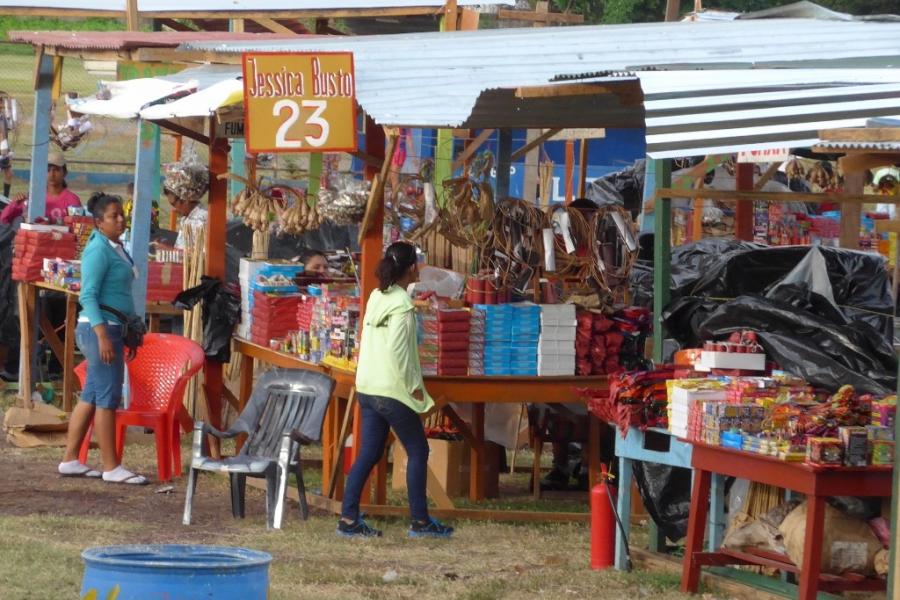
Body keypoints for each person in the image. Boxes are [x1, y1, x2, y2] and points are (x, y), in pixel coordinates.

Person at [338, 241, 453, 538]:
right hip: (391, 389)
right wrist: (415, 388)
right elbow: (401, 353)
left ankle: (349, 519)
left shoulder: (377, 296)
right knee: (418, 450)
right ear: (412, 268)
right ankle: (420, 522)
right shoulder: (402, 305)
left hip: (368, 386)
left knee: (369, 453)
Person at [58, 192, 148, 485]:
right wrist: (102, 336)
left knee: (92, 395)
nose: (120, 219)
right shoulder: (98, 250)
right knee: (107, 398)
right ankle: (112, 466)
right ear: (98, 222)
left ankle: (70, 459)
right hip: (101, 329)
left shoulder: (116, 247)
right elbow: (88, 294)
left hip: (112, 327)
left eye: (121, 214)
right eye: (113, 216)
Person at [0, 151, 81, 224]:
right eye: (48, 170)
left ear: (65, 173)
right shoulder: (33, 198)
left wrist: (51, 225)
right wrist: (15, 204)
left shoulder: (72, 200)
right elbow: (3, 219)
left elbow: (77, 229)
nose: (52, 174)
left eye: (56, 170)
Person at [161, 159, 208, 249]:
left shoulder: (202, 220)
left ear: (186, 199)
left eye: (174, 204)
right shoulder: (187, 218)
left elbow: (200, 256)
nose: (173, 210)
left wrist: (170, 251)